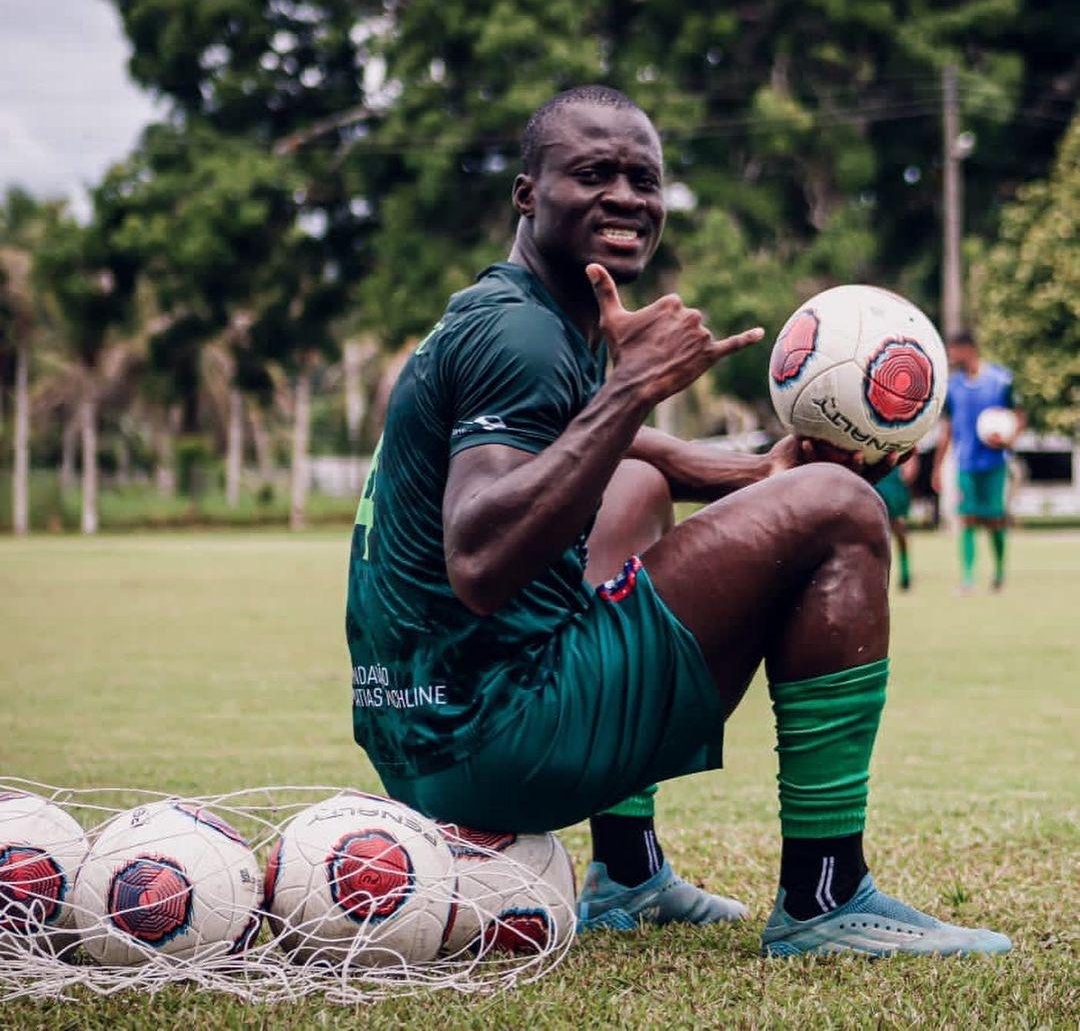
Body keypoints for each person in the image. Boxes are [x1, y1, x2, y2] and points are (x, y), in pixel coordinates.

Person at [345, 86, 1011, 956]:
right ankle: (826, 895)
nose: (626, 197)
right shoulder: (527, 339)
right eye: (593, 174)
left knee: (625, 483)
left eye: (644, 179)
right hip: (503, 741)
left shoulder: (506, 314)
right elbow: (478, 557)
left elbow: (615, 446)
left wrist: (755, 472)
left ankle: (627, 872)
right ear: (527, 193)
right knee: (846, 507)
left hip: (419, 737)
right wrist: (633, 385)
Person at [931, 331, 1024, 592]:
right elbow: (947, 429)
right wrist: (937, 467)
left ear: (968, 349)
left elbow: (1019, 416)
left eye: (954, 351)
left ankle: (999, 573)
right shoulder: (953, 386)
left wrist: (1008, 436)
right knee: (968, 518)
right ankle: (968, 579)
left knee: (994, 519)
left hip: (994, 463)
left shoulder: (1001, 380)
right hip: (965, 463)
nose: (951, 357)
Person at [875, 455, 919, 590]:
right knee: (874, 532)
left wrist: (911, 465)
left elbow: (910, 444)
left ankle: (905, 574)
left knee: (900, 529)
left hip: (894, 481)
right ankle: (876, 577)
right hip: (874, 478)